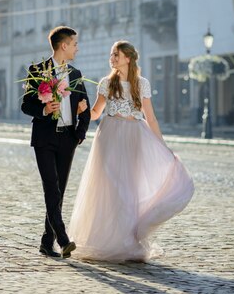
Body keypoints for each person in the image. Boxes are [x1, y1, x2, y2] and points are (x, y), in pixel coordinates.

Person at [68, 40, 194, 262]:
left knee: (128, 188)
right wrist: (83, 109)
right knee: (110, 187)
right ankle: (106, 239)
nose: (112, 58)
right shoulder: (106, 82)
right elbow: (97, 112)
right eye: (111, 55)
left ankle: (126, 242)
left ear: (128, 57)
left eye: (116, 54)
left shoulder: (141, 83)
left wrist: (163, 146)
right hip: (109, 136)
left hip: (134, 135)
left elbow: (150, 117)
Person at [21, 26, 91, 259]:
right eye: (75, 44)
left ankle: (45, 241)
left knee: (58, 192)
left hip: (67, 140)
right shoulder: (37, 70)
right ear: (63, 45)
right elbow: (25, 105)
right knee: (51, 189)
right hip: (44, 138)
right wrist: (43, 108)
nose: (77, 48)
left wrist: (80, 133)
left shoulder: (76, 74)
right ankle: (62, 238)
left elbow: (86, 109)